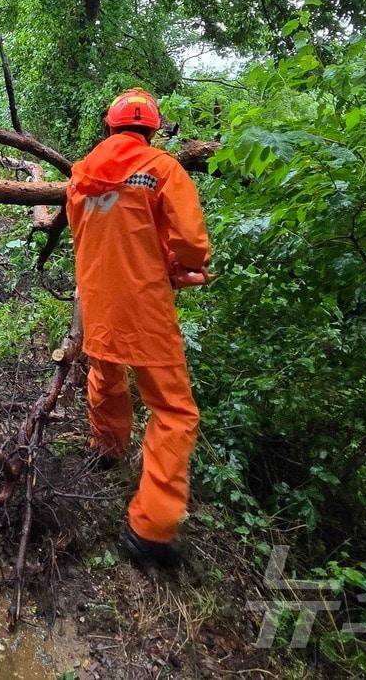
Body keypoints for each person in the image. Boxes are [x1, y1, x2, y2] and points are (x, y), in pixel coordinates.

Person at [66, 88, 211, 568]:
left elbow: (86, 235)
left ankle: (106, 449)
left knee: (105, 376)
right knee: (174, 411)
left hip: (99, 302)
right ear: (151, 130)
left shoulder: (81, 176)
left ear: (110, 128)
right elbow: (190, 242)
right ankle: (151, 528)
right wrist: (182, 265)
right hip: (145, 307)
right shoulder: (163, 168)